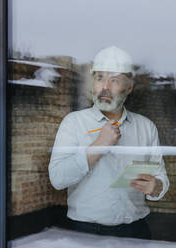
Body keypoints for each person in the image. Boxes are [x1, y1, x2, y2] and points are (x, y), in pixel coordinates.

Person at [48, 46, 169, 239]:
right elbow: (57, 179)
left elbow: (160, 177)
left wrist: (157, 187)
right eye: (100, 78)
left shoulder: (146, 127)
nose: (105, 87)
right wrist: (98, 146)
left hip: (135, 232)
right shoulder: (73, 123)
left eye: (114, 80)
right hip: (85, 233)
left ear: (129, 87)